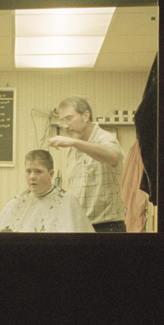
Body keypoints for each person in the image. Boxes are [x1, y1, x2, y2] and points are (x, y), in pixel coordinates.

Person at [47, 96, 126, 232]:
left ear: (85, 116)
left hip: (107, 227)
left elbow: (113, 157)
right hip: (79, 225)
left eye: (69, 118)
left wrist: (73, 142)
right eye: (62, 121)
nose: (65, 126)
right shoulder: (73, 148)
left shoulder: (104, 138)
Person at [0, 149, 94, 232]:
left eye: (38, 171)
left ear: (51, 174)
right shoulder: (18, 200)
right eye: (28, 171)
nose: (32, 176)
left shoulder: (68, 201)